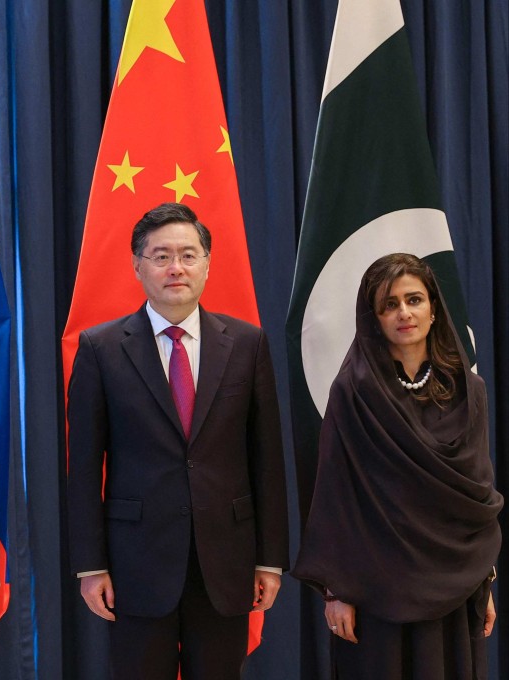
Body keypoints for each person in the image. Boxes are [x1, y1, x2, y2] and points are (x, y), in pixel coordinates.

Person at [66, 202, 289, 678]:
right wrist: (90, 565)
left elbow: (267, 458)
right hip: (135, 564)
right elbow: (83, 467)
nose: (176, 268)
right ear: (137, 265)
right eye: (161, 256)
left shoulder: (247, 345)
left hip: (225, 561)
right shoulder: (101, 348)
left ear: (207, 264)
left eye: (188, 255)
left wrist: (270, 560)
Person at [292, 253, 502, 679]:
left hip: (455, 584)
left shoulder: (469, 391)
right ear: (373, 317)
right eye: (389, 304)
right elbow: (335, 495)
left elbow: (477, 495)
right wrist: (337, 591)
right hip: (375, 587)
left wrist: (483, 581)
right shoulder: (352, 392)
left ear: (434, 308)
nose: (404, 312)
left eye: (414, 299)